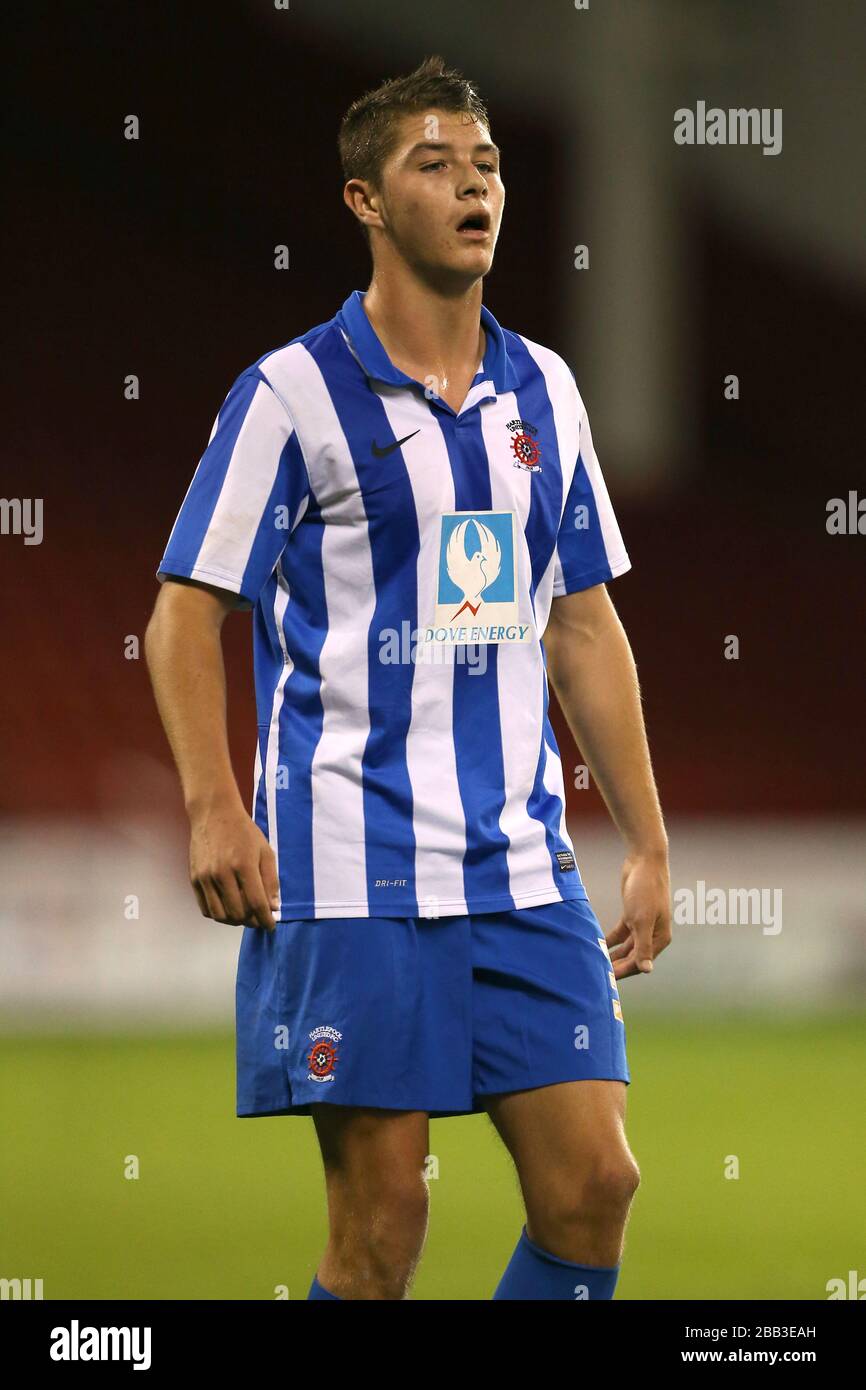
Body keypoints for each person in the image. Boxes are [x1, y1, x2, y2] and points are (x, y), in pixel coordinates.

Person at [145, 54, 672, 1301]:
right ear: (365, 204)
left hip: (513, 857)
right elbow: (181, 615)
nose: (471, 186)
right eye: (432, 166)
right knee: (382, 1226)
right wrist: (214, 801)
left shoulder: (542, 388)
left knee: (595, 1184)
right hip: (347, 862)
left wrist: (643, 838)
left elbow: (581, 623)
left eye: (484, 165)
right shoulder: (288, 395)